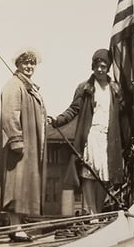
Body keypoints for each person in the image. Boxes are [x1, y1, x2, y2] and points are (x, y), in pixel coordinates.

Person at [49, 48, 129, 214]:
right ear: (92, 66)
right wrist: (58, 120)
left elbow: (125, 110)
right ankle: (91, 212)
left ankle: (98, 212)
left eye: (104, 66)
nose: (100, 69)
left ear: (108, 68)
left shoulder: (115, 89)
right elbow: (73, 109)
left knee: (104, 178)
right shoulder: (85, 88)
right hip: (91, 136)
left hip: (109, 138)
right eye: (97, 65)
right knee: (89, 174)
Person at [0, 49, 47, 235]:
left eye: (32, 63)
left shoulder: (29, 86)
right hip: (19, 146)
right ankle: (15, 227)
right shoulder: (14, 85)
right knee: (16, 184)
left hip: (30, 144)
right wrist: (16, 139)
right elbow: (9, 115)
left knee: (25, 183)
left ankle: (18, 227)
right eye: (25, 63)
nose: (29, 66)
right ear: (17, 64)